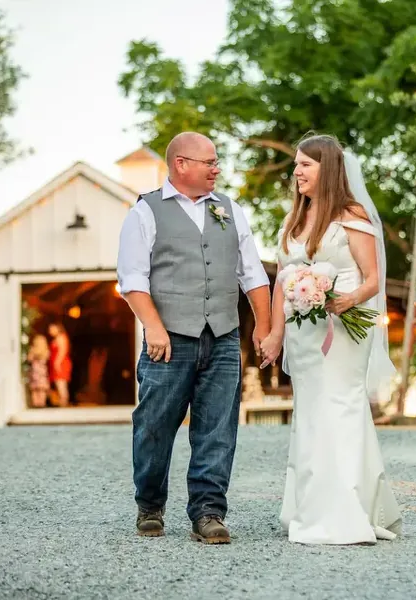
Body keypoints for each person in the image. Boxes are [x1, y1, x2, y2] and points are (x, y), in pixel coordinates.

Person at [117, 132, 271, 544]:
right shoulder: (146, 212)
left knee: (218, 429)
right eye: (210, 162)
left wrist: (265, 326)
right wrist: (153, 325)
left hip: (222, 337)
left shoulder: (231, 210)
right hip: (167, 340)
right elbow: (132, 279)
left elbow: (253, 274)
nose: (217, 169)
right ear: (181, 164)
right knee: (154, 426)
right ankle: (149, 504)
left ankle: (208, 512)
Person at [259, 134, 402, 545]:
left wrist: (346, 299)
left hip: (343, 330)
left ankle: (344, 511)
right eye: (297, 165)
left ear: (328, 169)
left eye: (305, 164)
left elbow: (373, 278)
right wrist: (274, 334)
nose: (297, 172)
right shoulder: (294, 221)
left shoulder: (351, 216)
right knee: (309, 415)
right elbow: (281, 282)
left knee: (340, 409)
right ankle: (308, 507)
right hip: (304, 335)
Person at [47, 323, 72, 406]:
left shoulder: (61, 337)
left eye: (52, 329)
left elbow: (62, 351)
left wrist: (57, 363)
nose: (50, 331)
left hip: (61, 363)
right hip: (57, 363)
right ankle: (61, 401)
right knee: (58, 384)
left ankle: (63, 402)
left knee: (61, 383)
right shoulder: (56, 338)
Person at [27, 334, 50, 408]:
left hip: (39, 372)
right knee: (36, 388)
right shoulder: (36, 350)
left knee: (40, 388)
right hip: (37, 372)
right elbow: (29, 359)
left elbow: (45, 358)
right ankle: (38, 403)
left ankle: (39, 403)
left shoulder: (45, 351)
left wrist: (34, 353)